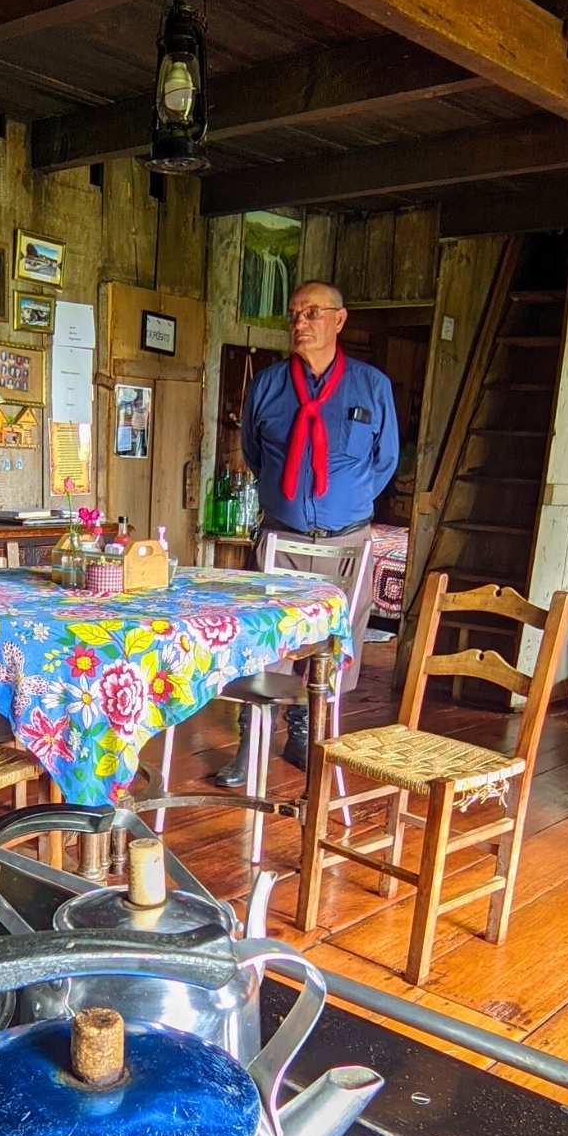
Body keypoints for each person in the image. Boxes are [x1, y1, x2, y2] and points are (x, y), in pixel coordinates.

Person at [214, 280, 399, 783]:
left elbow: (385, 464)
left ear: (339, 320)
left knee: (331, 649)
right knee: (264, 645)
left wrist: (341, 501)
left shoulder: (371, 387)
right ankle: (249, 749)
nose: (300, 323)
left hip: (345, 545)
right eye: (294, 314)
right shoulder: (270, 385)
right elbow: (255, 453)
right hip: (280, 539)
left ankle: (307, 738)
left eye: (312, 313)